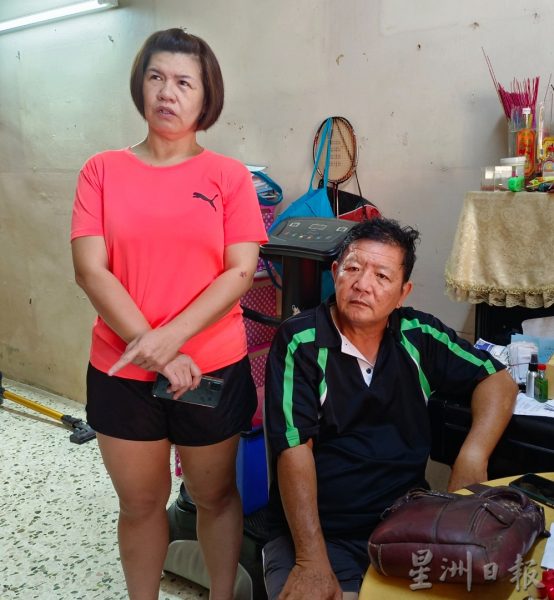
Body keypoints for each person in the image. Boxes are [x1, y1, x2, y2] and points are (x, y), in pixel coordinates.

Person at [71, 29, 267, 600]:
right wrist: (150, 347)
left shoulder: (228, 176)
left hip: (208, 368)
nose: (167, 92)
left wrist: (170, 343)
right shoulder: (101, 170)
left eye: (184, 82)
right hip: (122, 369)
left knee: (215, 497)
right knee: (139, 504)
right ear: (140, 85)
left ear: (206, 97)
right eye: (156, 77)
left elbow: (239, 271)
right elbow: (90, 270)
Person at [262, 217, 517, 600]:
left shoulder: (419, 334)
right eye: (353, 268)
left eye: (382, 276)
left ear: (402, 292)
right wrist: (311, 559)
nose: (363, 284)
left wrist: (472, 456)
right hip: (317, 532)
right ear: (336, 271)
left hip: (403, 522)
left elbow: (497, 378)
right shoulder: (301, 341)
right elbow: (294, 450)